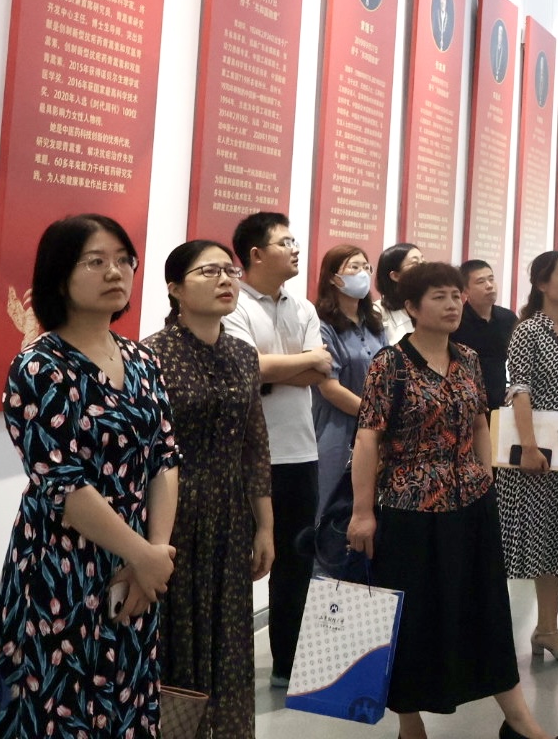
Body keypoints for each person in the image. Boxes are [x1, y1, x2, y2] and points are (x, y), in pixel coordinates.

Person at [346, 263, 558, 739]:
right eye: (438, 297)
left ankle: (519, 722)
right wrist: (362, 513)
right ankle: (411, 725)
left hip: (471, 504)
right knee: (414, 617)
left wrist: (485, 477)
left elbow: (481, 422)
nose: (451, 305)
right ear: (411, 307)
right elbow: (367, 439)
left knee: (486, 610)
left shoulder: (467, 357)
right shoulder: (390, 363)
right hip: (409, 510)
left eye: (455, 296)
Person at [0, 215, 179, 736]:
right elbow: (62, 484)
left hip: (137, 564)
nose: (115, 272)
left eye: (123, 260)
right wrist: (142, 556)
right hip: (60, 568)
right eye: (95, 261)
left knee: (125, 699)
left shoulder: (142, 359)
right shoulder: (38, 367)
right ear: (58, 277)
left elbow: (164, 458)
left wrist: (154, 552)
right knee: (55, 708)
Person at [145, 240, 273, 738]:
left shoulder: (242, 354)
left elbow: (254, 445)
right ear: (175, 289)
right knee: (174, 637)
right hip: (170, 516)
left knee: (229, 638)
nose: (225, 280)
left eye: (229, 270)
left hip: (230, 516)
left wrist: (265, 526)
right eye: (208, 272)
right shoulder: (150, 355)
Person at [222, 212, 330, 689]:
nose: (295, 249)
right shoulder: (233, 304)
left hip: (300, 453)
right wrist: (294, 365)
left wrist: (273, 369)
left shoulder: (302, 306)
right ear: (256, 254)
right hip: (246, 457)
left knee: (296, 562)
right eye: (285, 242)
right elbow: (246, 368)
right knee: (236, 563)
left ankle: (287, 664)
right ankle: (227, 667)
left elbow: (319, 371)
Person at [500, 251, 558, 663]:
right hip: (534, 448)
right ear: (541, 284)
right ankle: (512, 632)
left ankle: (547, 629)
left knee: (557, 536)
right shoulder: (528, 331)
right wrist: (530, 445)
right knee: (530, 538)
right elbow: (519, 389)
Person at [313, 244, 387, 523]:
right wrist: (373, 416)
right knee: (331, 507)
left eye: (366, 267)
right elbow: (329, 388)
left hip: (375, 429)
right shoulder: (321, 324)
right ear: (334, 278)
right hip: (336, 427)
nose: (363, 273)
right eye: (354, 267)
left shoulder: (374, 323)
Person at [452, 259, 519, 415]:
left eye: (491, 279)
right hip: (465, 404)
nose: (489, 285)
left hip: (499, 404)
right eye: (481, 281)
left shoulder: (508, 318)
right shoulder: (456, 320)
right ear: (465, 290)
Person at [375, 242, 424, 342]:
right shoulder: (378, 312)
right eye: (415, 263)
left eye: (423, 261)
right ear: (395, 276)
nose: (424, 267)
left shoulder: (429, 307)